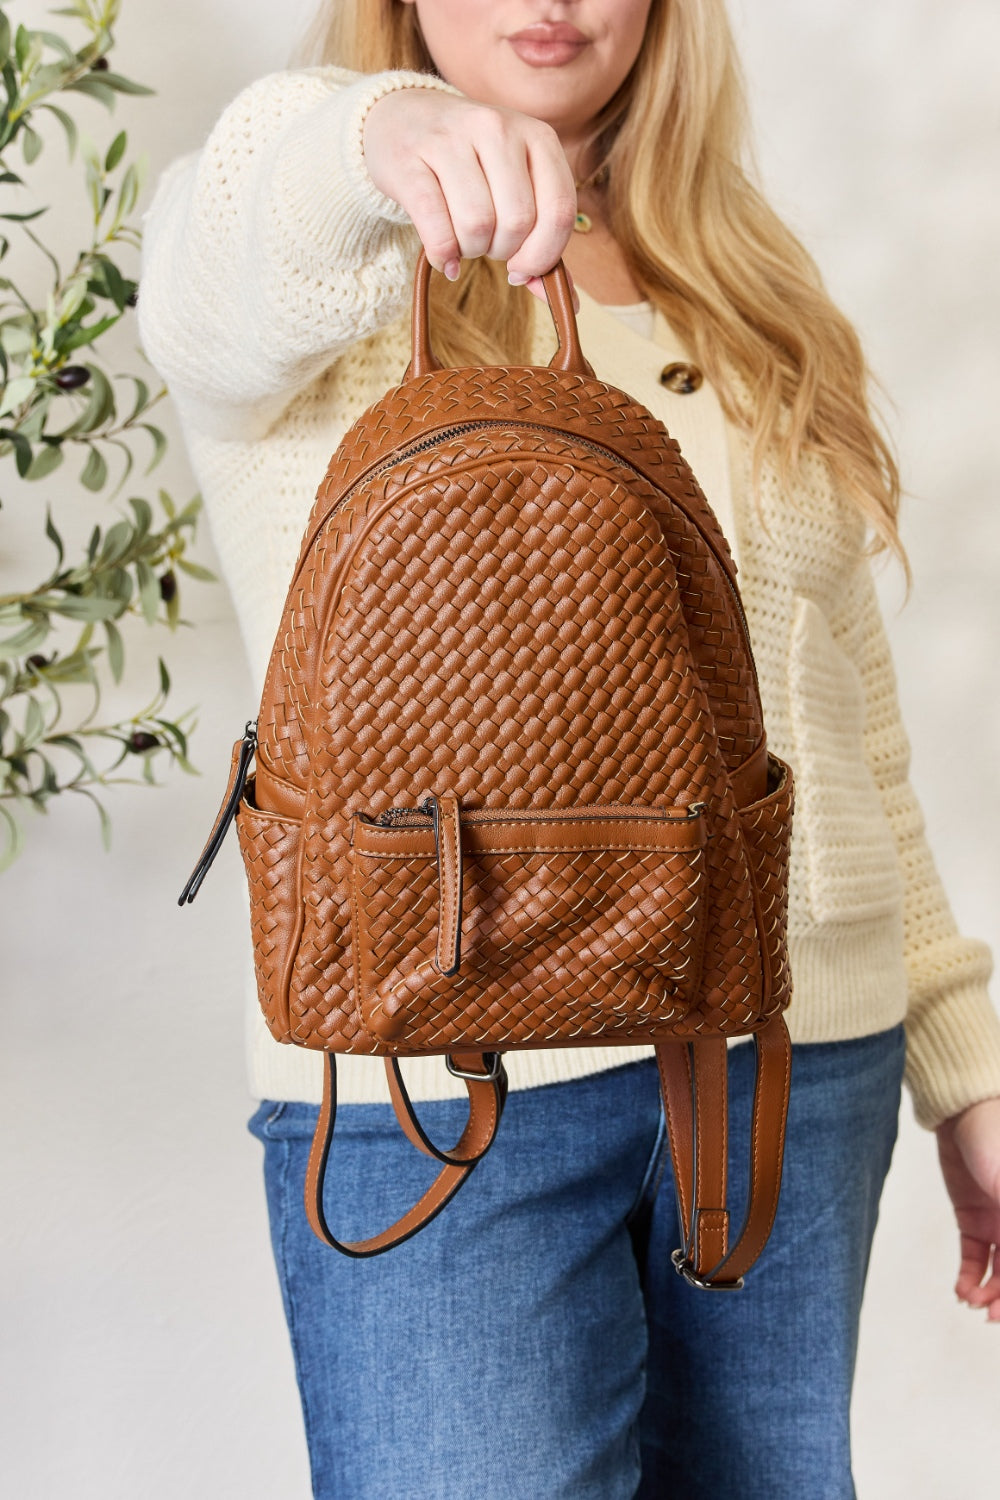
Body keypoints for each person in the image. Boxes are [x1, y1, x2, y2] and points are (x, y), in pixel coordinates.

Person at [138, 3, 1000, 1495]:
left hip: (792, 1067)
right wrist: (381, 136)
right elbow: (212, 257)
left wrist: (962, 1061)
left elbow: (847, 727)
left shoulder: (749, 292)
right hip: (435, 1077)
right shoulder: (316, 253)